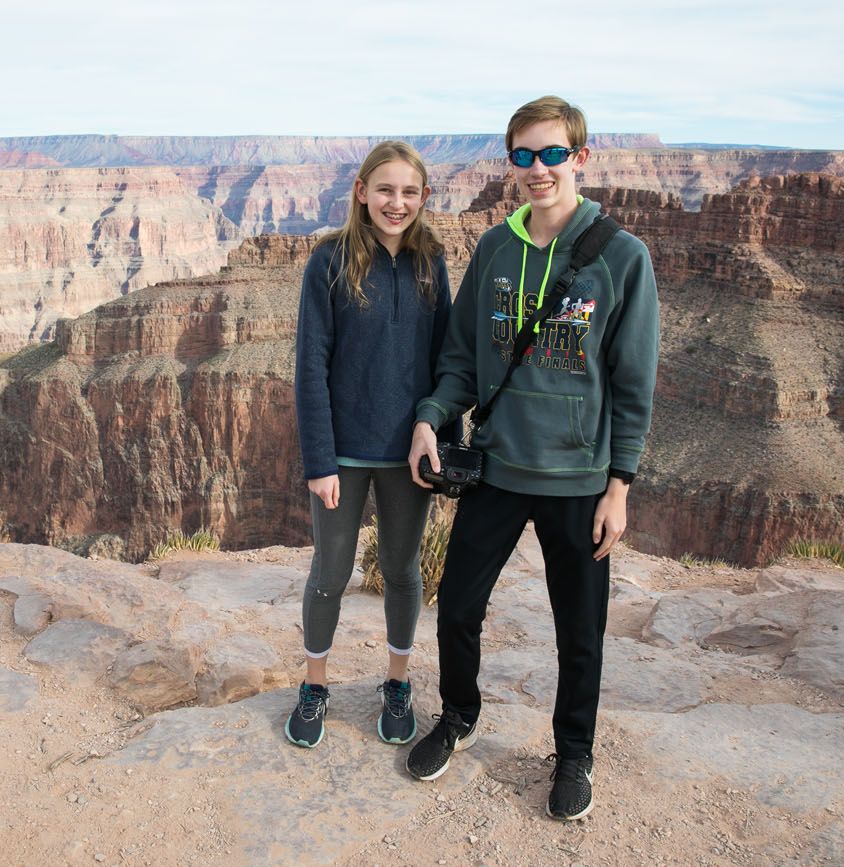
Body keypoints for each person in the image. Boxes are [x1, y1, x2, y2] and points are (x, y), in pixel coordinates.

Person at [404, 97, 660, 821]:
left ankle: (573, 751)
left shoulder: (621, 257)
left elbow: (635, 381)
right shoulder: (493, 249)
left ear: (581, 156)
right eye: (523, 156)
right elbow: (460, 358)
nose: (538, 169)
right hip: (498, 466)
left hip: (579, 480)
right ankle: (459, 714)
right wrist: (431, 418)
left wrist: (622, 485)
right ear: (510, 162)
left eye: (553, 154)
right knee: (457, 605)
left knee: (580, 629)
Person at [287, 140, 455, 749]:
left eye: (409, 192)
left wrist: (440, 439)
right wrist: (320, 461)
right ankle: (314, 686)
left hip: (409, 454)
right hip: (345, 456)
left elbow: (445, 359)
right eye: (385, 189)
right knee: (330, 572)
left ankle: (398, 682)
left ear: (424, 198)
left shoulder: (430, 261)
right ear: (361, 191)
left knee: (404, 572)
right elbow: (311, 366)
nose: (396, 202)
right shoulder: (328, 262)